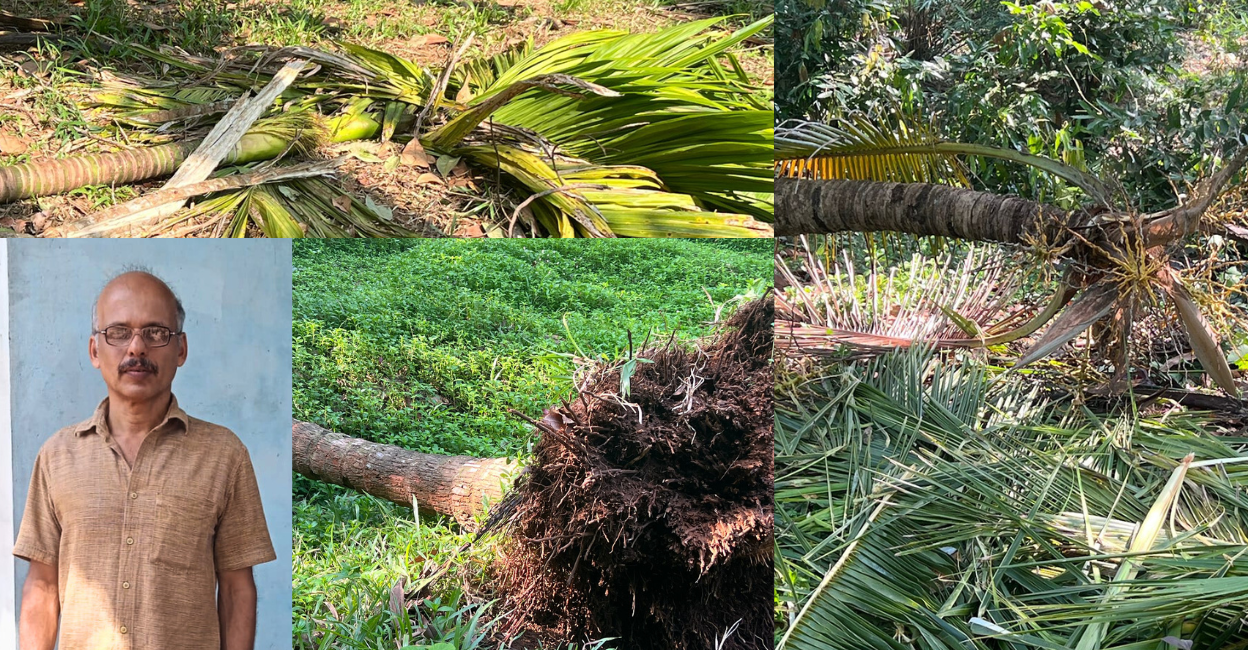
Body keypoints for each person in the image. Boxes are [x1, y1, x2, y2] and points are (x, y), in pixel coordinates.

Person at [12, 270, 276, 650]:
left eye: (156, 333)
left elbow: (236, 589)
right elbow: (42, 583)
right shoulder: (57, 455)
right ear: (94, 351)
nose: (136, 348)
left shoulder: (223, 455)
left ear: (181, 349)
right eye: (118, 332)